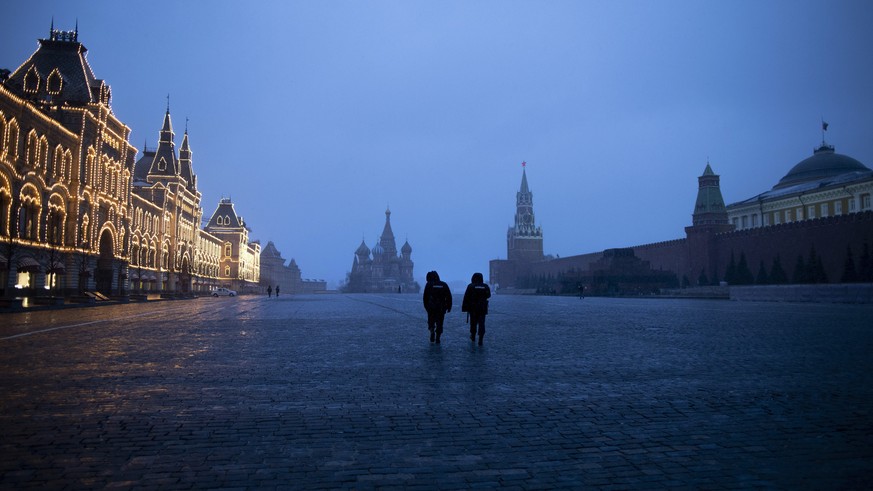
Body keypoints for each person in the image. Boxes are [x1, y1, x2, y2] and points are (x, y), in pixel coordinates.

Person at [422, 270, 452, 344]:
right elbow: (449, 296)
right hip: (441, 307)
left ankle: (432, 330)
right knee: (440, 323)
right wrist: (449, 306)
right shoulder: (444, 284)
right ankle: (438, 336)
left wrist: (426, 307)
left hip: (431, 307)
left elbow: (425, 297)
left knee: (431, 321)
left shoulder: (428, 285)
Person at [462, 272, 491, 346]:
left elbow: (466, 297)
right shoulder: (485, 286)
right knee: (481, 323)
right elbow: (488, 295)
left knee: (473, 323)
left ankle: (473, 336)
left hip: (473, 308)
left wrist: (465, 308)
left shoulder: (471, 286)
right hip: (482, 308)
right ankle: (481, 338)